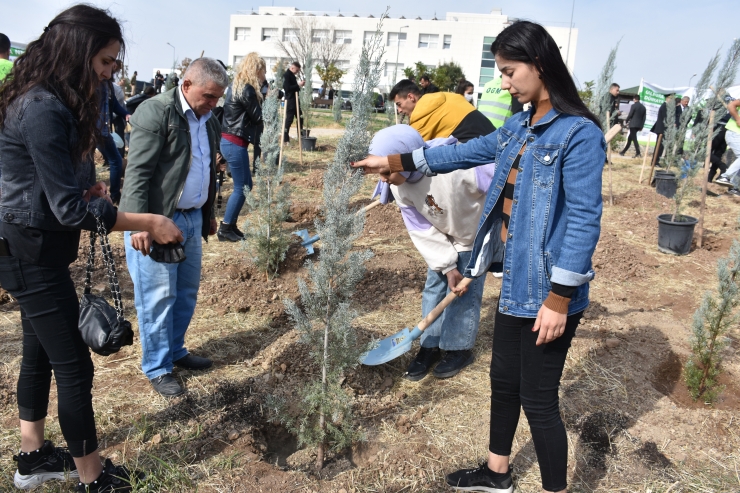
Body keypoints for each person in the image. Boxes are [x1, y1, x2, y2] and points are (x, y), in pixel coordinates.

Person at [354, 20, 605, 493]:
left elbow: (584, 221)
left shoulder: (579, 135)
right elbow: (458, 154)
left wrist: (560, 297)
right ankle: (497, 473)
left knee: (539, 398)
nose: (504, 83)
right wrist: (393, 164)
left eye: (510, 72)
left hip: (549, 288)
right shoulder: (517, 126)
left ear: (540, 64)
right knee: (503, 379)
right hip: (515, 281)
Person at [0, 5, 183, 492]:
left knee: (39, 350)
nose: (108, 73)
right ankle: (92, 479)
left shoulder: (51, 102)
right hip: (27, 248)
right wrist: (147, 221)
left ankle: (33, 459)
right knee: (75, 366)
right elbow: (67, 212)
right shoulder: (40, 108)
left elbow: (50, 187)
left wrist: (89, 190)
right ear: (76, 53)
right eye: (105, 62)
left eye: (114, 65)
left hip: (33, 243)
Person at [120, 57, 228, 397]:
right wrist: (139, 223)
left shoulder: (208, 120)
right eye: (209, 96)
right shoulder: (157, 112)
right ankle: (157, 366)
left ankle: (175, 350)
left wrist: (208, 212)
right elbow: (137, 171)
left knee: (185, 293)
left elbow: (207, 168)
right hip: (156, 220)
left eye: (218, 98)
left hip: (192, 219)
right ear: (186, 86)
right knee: (157, 298)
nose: (213, 104)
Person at [370, 125, 494, 380]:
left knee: (463, 295)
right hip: (442, 233)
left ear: (404, 160)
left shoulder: (457, 167)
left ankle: (458, 348)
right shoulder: (398, 185)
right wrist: (447, 266)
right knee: (435, 286)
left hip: (474, 233)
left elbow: (501, 183)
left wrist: (497, 233)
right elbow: (421, 228)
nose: (382, 179)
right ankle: (430, 344)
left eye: (385, 171)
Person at [218, 52, 266, 242]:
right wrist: (265, 98)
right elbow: (257, 116)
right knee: (241, 187)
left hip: (234, 141)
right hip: (234, 142)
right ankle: (225, 229)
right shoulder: (246, 89)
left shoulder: (237, 85)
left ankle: (231, 225)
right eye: (263, 71)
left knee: (247, 185)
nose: (264, 76)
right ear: (256, 69)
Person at [390, 79, 494, 142]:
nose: (399, 110)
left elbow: (412, 151)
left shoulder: (420, 117)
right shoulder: (447, 96)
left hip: (484, 154)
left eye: (399, 104)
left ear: (411, 97)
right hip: (496, 138)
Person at [712, 99, 740, 188]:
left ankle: (734, 186)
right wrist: (738, 119)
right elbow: (731, 105)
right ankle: (725, 177)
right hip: (734, 133)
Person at [650, 93, 675, 167]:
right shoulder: (664, 106)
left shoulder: (667, 106)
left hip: (664, 130)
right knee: (659, 146)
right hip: (661, 129)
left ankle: (656, 161)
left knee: (661, 147)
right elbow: (666, 118)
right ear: (667, 98)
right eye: (671, 99)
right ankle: (654, 162)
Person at [282, 61, 304, 143]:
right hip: (290, 100)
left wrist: (299, 86)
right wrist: (298, 85)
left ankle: (301, 136)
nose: (297, 72)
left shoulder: (292, 76)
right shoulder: (287, 75)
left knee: (300, 118)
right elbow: (287, 88)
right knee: (289, 120)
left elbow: (295, 88)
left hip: (295, 100)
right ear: (292, 68)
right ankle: (285, 138)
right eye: (297, 70)